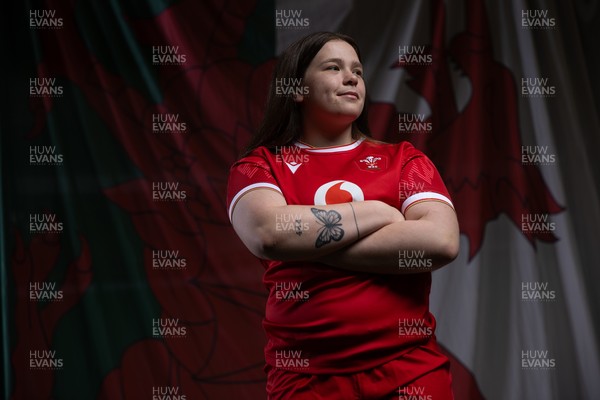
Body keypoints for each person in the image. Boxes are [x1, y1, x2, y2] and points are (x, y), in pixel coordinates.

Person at [227, 32, 459, 400]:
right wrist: (379, 212)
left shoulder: (405, 161)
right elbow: (268, 234)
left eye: (358, 71)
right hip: (305, 378)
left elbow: (441, 242)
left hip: (409, 370)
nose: (351, 78)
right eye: (333, 68)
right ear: (297, 89)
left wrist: (303, 245)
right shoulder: (259, 166)